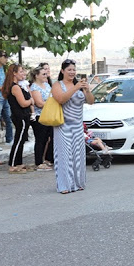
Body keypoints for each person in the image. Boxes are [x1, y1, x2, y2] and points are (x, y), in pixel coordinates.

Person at [51, 59, 95, 192]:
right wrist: (75, 88)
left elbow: (91, 101)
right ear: (62, 71)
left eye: (74, 70)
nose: (72, 72)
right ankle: (64, 185)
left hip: (77, 125)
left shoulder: (79, 85)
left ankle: (78, 183)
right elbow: (61, 99)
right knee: (64, 156)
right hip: (63, 126)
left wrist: (86, 90)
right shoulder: (57, 85)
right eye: (69, 70)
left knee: (78, 156)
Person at [2, 64, 32, 174]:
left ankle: (19, 162)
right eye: (21, 71)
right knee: (19, 140)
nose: (23, 73)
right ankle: (13, 163)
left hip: (23, 116)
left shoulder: (19, 86)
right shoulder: (15, 87)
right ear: (14, 73)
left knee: (22, 139)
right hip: (21, 116)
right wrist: (31, 101)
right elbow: (23, 103)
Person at [30, 65, 54, 171]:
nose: (46, 76)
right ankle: (38, 162)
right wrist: (51, 104)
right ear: (36, 76)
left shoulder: (47, 85)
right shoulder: (34, 87)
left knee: (51, 137)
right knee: (41, 139)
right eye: (43, 74)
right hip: (40, 116)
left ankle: (48, 159)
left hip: (49, 115)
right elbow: (39, 103)